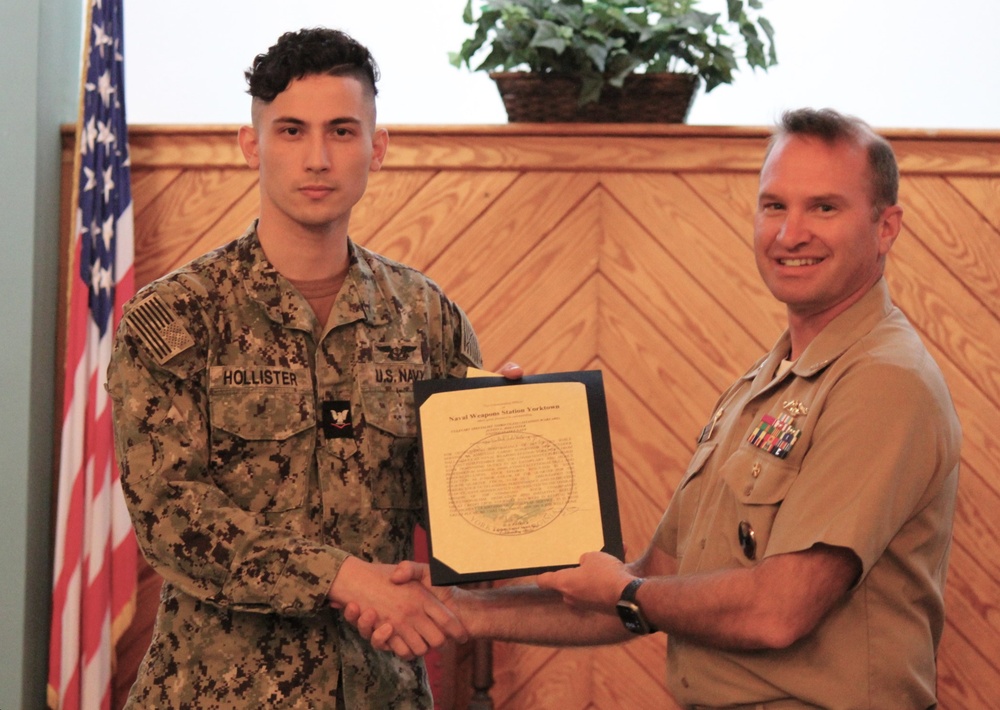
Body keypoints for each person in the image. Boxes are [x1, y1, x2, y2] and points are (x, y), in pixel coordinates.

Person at [350, 108, 962, 709]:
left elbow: (778, 611)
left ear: (886, 227)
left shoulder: (882, 380)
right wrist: (462, 610)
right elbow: (646, 585)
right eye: (774, 205)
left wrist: (628, 591)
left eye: (824, 208)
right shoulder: (768, 382)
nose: (789, 232)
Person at [107, 27, 515, 708]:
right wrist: (344, 577)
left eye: (343, 132)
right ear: (251, 145)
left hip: (379, 689)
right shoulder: (177, 320)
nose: (318, 158)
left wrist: (506, 442)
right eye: (292, 131)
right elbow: (173, 518)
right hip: (215, 692)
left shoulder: (426, 319)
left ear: (376, 149)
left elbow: (459, 522)